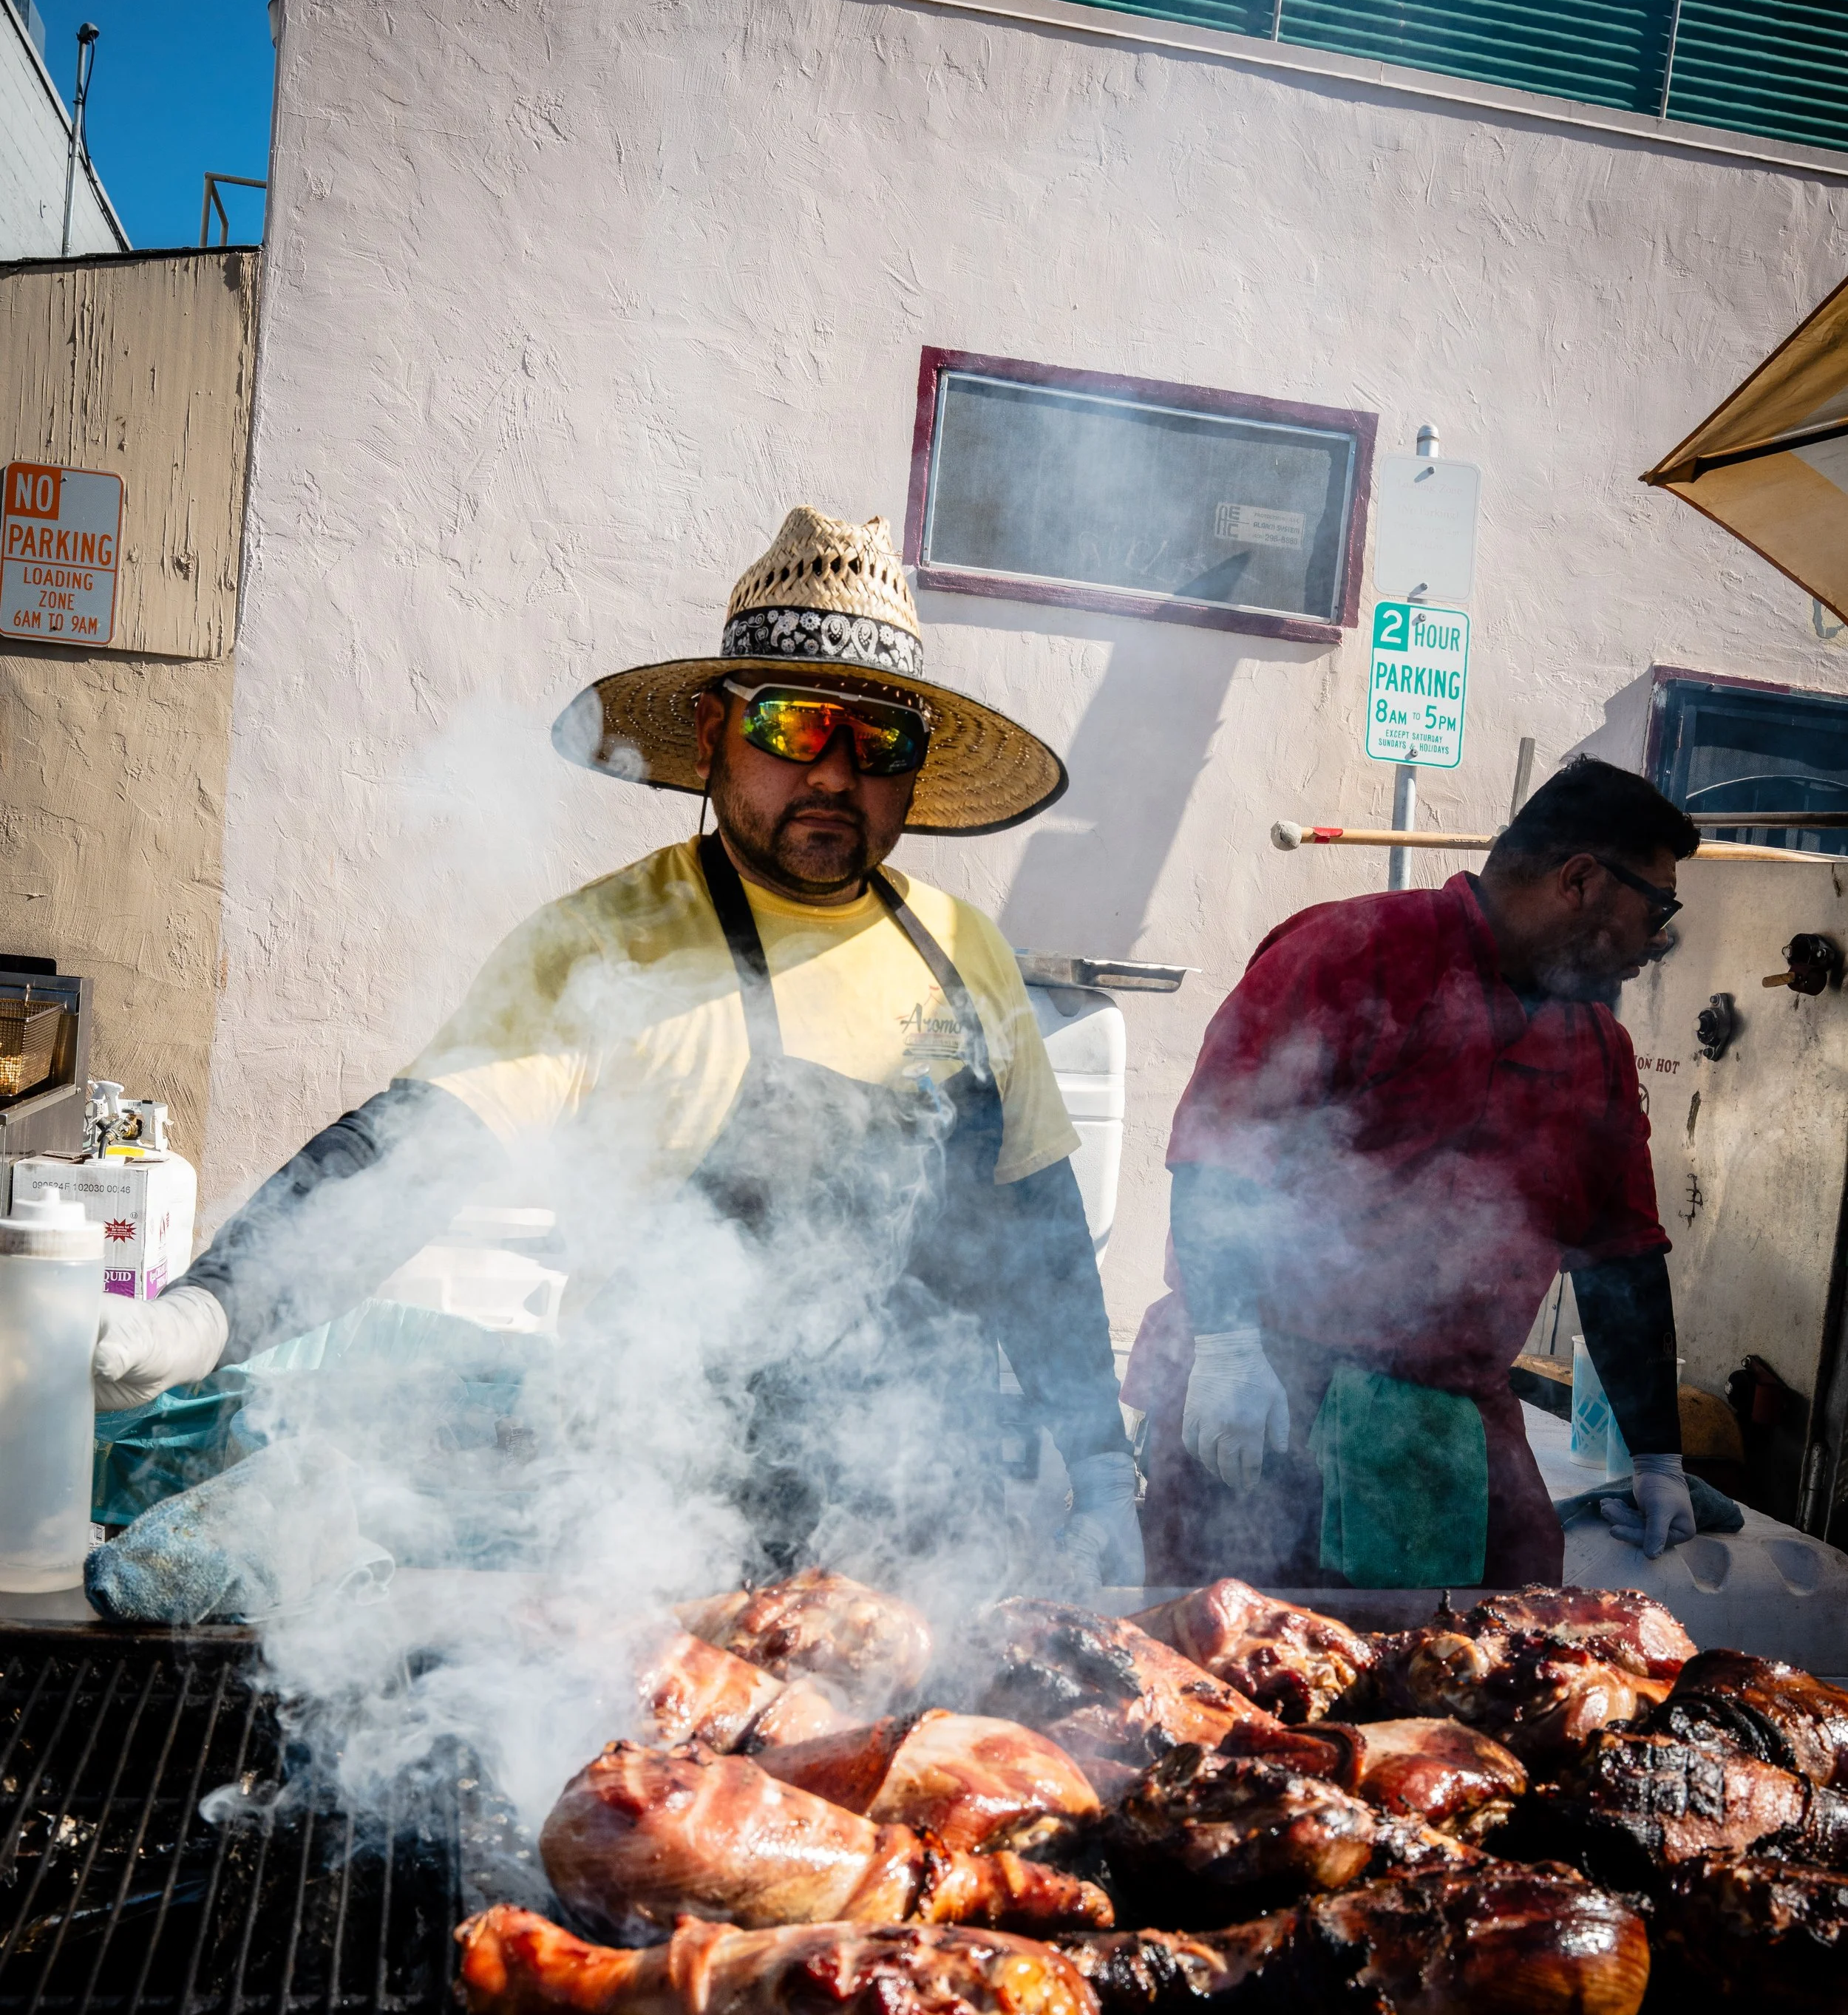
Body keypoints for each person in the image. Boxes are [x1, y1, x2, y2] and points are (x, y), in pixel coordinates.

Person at [92, 507, 1141, 1587]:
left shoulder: (967, 952)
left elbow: (1044, 1243)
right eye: (791, 726)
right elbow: (405, 1159)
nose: (833, 772)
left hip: (928, 1535)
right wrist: (211, 1310)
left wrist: (1105, 1468)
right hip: (660, 1539)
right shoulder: (605, 944)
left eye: (880, 741)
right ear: (711, 729)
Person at [1123, 758, 1701, 1591]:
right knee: (1225, 1663)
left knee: (1502, 1668)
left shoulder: (1598, 1049)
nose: (1657, 944)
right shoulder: (1351, 952)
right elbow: (1219, 1159)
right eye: (1658, 908)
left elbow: (1622, 1263)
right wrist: (1224, 1348)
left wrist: (1656, 1454)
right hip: (1268, 1391)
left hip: (1455, 1420)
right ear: (1580, 880)